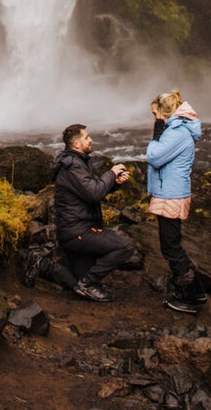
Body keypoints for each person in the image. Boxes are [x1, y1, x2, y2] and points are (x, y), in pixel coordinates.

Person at [24, 123, 136, 302]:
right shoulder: (72, 166)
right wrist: (111, 173)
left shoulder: (77, 162)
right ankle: (88, 284)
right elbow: (94, 193)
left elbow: (91, 190)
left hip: (74, 232)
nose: (90, 140)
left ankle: (42, 264)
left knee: (76, 281)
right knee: (125, 246)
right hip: (78, 232)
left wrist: (114, 184)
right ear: (76, 144)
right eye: (87, 137)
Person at [146, 90, 207, 314]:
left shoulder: (176, 132)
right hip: (170, 192)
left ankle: (189, 298)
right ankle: (197, 292)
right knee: (173, 246)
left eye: (155, 114)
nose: (154, 119)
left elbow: (154, 157)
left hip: (171, 195)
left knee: (171, 249)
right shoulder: (178, 130)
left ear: (164, 112)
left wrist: (156, 135)